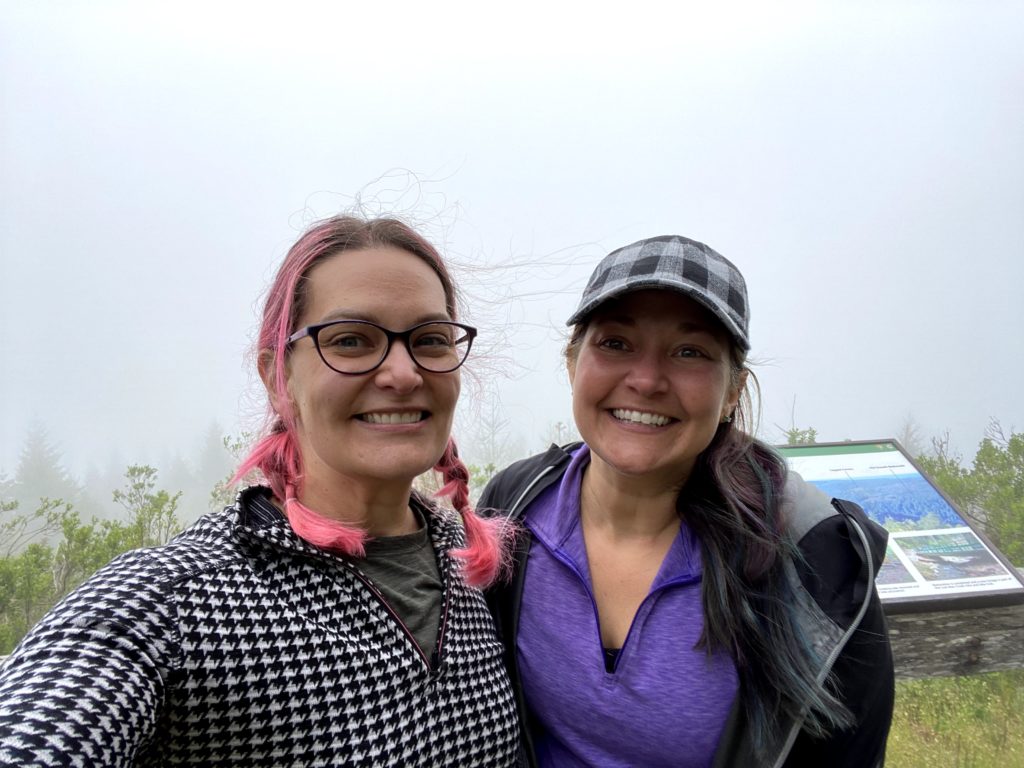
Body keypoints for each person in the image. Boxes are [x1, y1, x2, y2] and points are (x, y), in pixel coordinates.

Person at [0, 216, 519, 766]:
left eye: (430, 340)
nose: (402, 372)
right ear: (278, 378)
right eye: (349, 340)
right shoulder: (173, 602)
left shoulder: (479, 571)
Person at [481, 235, 894, 768]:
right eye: (615, 343)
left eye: (690, 353)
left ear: (732, 392)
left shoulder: (814, 559)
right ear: (572, 362)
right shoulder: (513, 505)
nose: (647, 380)